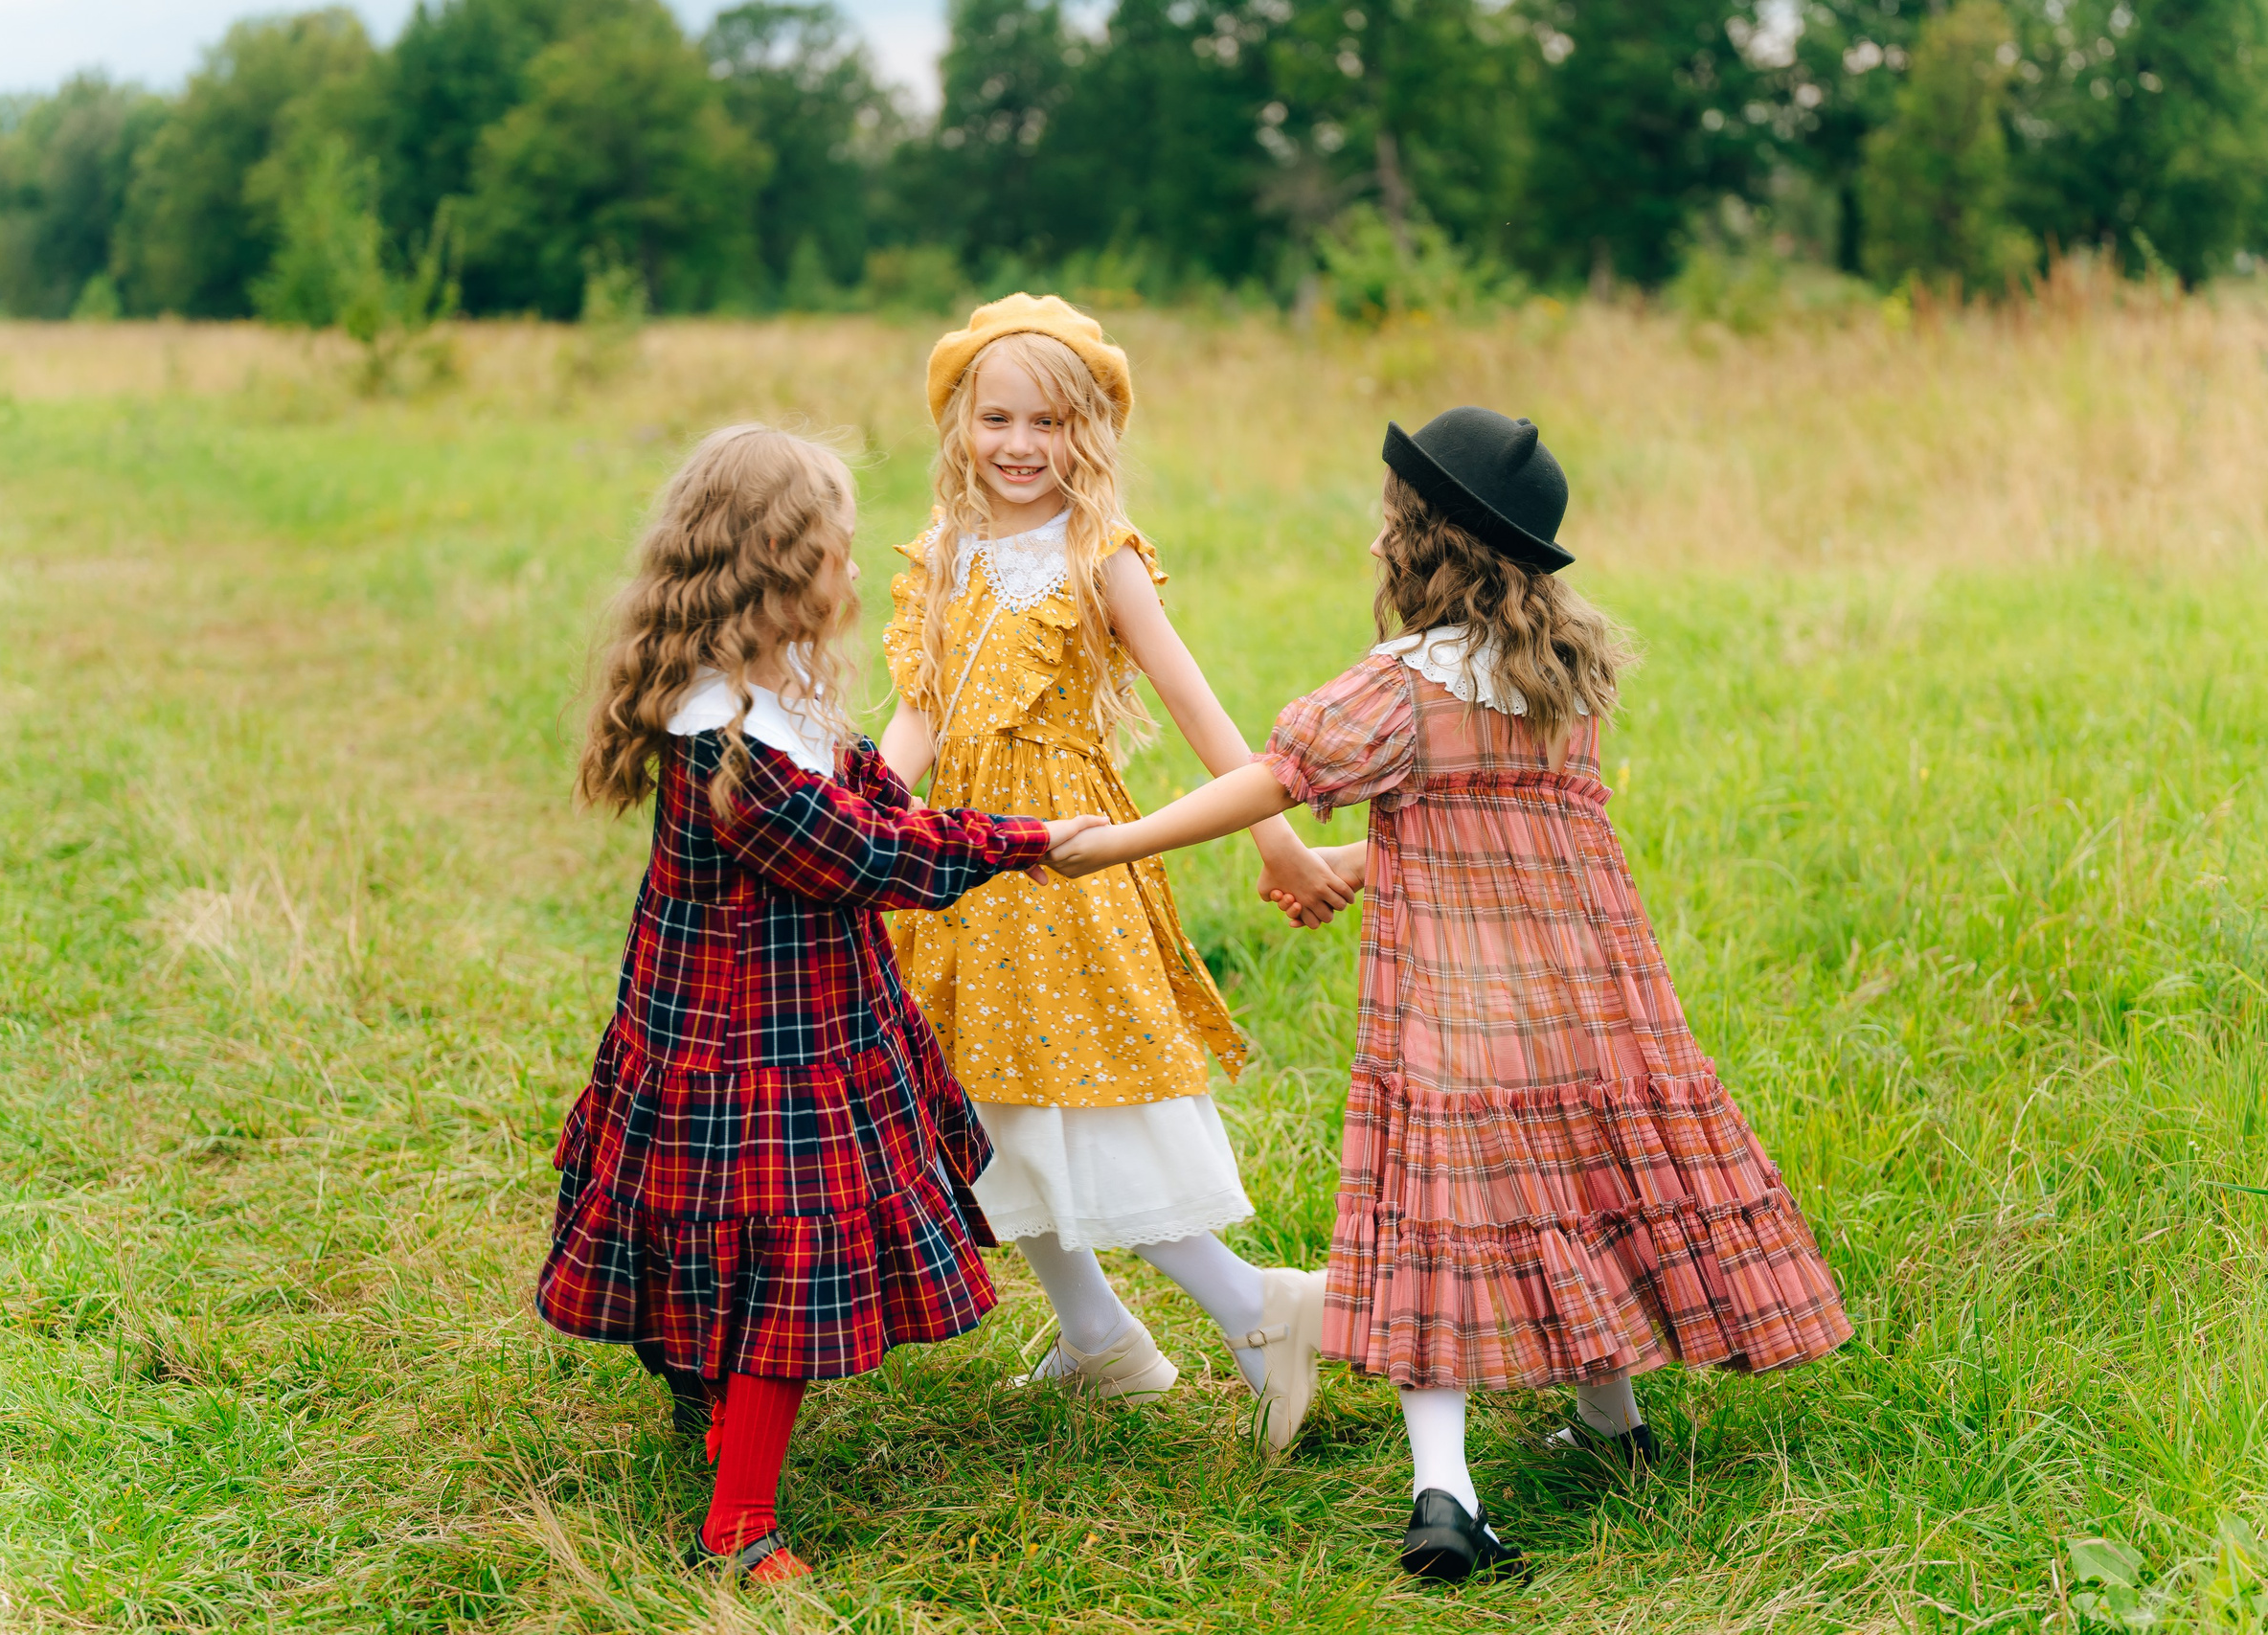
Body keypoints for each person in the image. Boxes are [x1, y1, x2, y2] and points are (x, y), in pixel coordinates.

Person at [1047, 406, 1854, 1580]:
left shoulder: (1401, 684)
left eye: (1393, 518)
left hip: (1457, 1021)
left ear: (1424, 540)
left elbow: (1271, 779)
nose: (1380, 538)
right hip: (1587, 1004)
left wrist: (1116, 844)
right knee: (1576, 1191)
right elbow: (1506, 835)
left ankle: (1446, 1491)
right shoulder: (1558, 676)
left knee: (1440, 1234)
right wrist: (1353, 867)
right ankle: (1611, 1424)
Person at [535, 423, 1105, 1580]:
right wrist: (1028, 843)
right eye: (841, 552)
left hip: (808, 1021)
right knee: (773, 1262)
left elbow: (879, 803)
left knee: (725, 1248)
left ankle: (710, 1415)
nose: (854, 571)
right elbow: (867, 856)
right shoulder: (723, 745)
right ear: (783, 568)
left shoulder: (779, 697)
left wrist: (1019, 832)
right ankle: (738, 1520)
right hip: (746, 1048)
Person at [878, 294, 1354, 1447]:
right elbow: (919, 719)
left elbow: (1201, 710)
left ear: (1086, 434)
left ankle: (1257, 1308)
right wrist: (860, 825)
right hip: (961, 867)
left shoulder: (1100, 560)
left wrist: (1276, 838)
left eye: (1048, 422)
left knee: (1081, 1107)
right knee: (983, 1102)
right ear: (959, 424)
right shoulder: (944, 556)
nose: (1019, 446)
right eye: (996, 418)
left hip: (1065, 865)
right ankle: (1100, 1338)